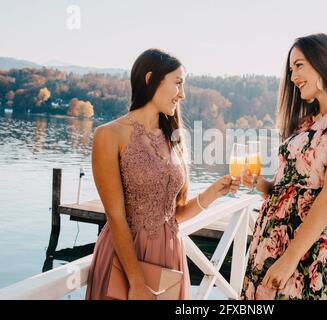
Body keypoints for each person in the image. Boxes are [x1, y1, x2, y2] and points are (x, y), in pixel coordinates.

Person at [85, 49, 240, 300]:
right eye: (178, 83)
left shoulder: (173, 137)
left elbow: (173, 214)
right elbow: (115, 215)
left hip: (170, 257)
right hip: (127, 260)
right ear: (150, 79)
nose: (183, 93)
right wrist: (135, 281)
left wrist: (213, 193)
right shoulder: (109, 135)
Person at [241, 33, 327, 300]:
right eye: (291, 69)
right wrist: (261, 184)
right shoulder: (306, 122)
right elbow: (289, 188)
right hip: (269, 237)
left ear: (324, 62)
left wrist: (289, 259)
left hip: (303, 248)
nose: (292, 77)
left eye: (299, 65)